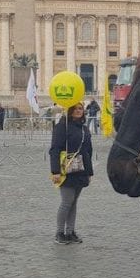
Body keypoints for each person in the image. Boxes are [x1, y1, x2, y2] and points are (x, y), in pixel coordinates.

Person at [49, 102, 94, 244]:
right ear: (69, 111)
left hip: (80, 169)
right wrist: (55, 171)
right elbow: (55, 149)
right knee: (66, 201)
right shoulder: (62, 127)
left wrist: (89, 172)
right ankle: (59, 233)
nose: (78, 111)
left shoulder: (84, 129)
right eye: (75, 109)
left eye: (80, 108)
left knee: (74, 202)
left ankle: (70, 232)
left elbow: (88, 151)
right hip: (66, 169)